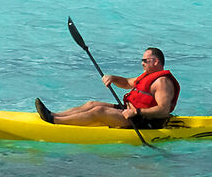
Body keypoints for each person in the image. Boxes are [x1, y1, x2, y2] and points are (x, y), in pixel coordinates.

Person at [38, 46, 178, 128]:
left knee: (99, 111)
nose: (142, 63)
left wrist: (137, 112)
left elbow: (163, 110)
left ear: (156, 62)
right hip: (129, 112)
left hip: (142, 121)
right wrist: (113, 78)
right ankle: (54, 114)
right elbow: (128, 83)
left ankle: (55, 122)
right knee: (91, 104)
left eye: (145, 60)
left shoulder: (162, 82)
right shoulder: (146, 75)